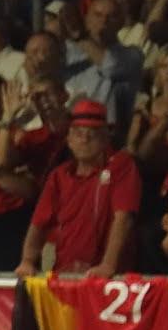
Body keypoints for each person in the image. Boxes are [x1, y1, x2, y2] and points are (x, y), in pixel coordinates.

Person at [22, 100, 140, 278]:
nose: (84, 139)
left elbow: (123, 219)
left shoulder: (121, 165)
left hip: (108, 277)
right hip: (65, 271)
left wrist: (108, 265)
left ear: (106, 138)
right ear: (68, 139)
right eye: (78, 133)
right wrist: (27, 261)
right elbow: (39, 223)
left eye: (92, 133)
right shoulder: (59, 175)